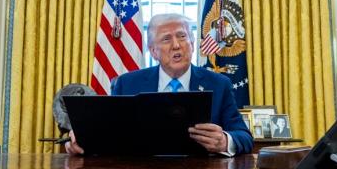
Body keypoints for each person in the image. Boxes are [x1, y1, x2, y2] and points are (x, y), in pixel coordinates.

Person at [66, 13, 253, 155]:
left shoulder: (219, 84)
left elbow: (244, 136)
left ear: (192, 44)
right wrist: (81, 138)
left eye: (182, 37)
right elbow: (108, 132)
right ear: (153, 51)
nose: (176, 45)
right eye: (166, 39)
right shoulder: (127, 84)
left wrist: (225, 141)